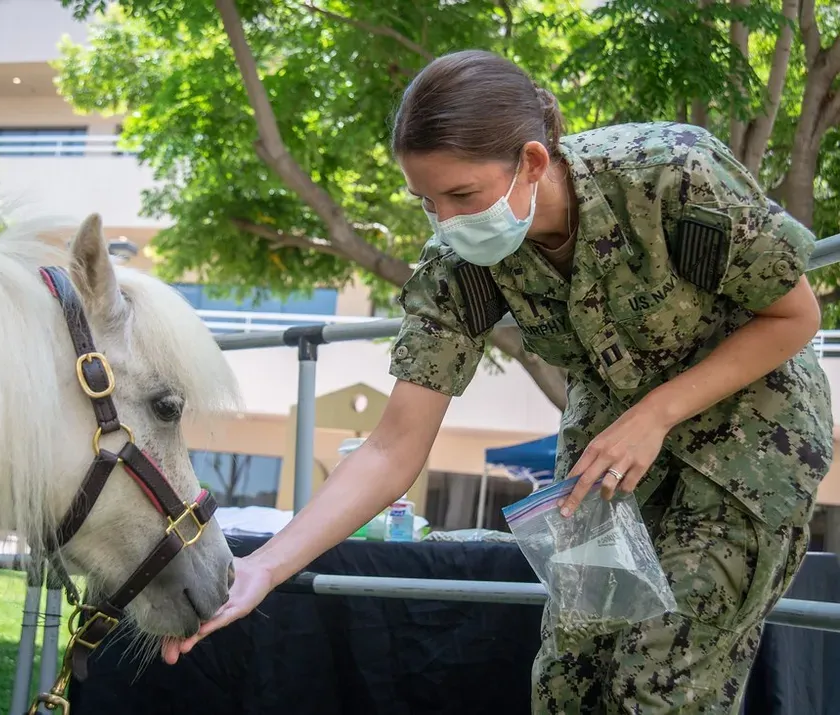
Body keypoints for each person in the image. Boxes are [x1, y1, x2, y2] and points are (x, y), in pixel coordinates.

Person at [162, 50, 833, 713]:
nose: (448, 222)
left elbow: (796, 313)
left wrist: (656, 413)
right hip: (608, 442)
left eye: (462, 195)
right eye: (426, 201)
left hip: (752, 434)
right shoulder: (458, 265)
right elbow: (392, 448)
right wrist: (265, 567)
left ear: (533, 162)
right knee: (570, 678)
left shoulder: (671, 172)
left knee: (658, 685)